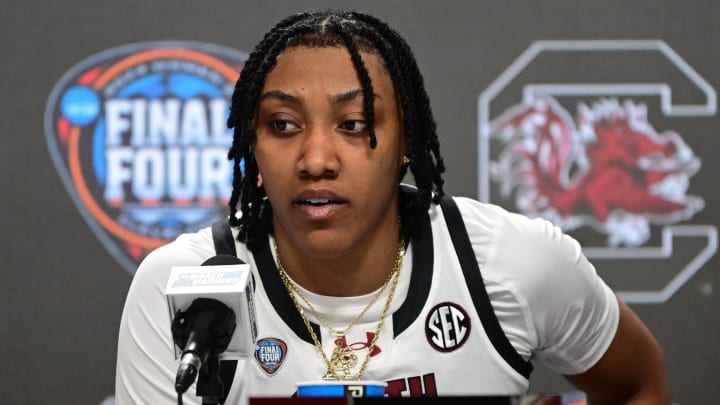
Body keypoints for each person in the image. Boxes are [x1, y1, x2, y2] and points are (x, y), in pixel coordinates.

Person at [115, 9, 671, 405]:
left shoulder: (508, 263)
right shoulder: (182, 287)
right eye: (282, 125)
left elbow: (637, 386)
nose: (315, 159)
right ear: (251, 142)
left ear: (407, 142)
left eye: (354, 125)